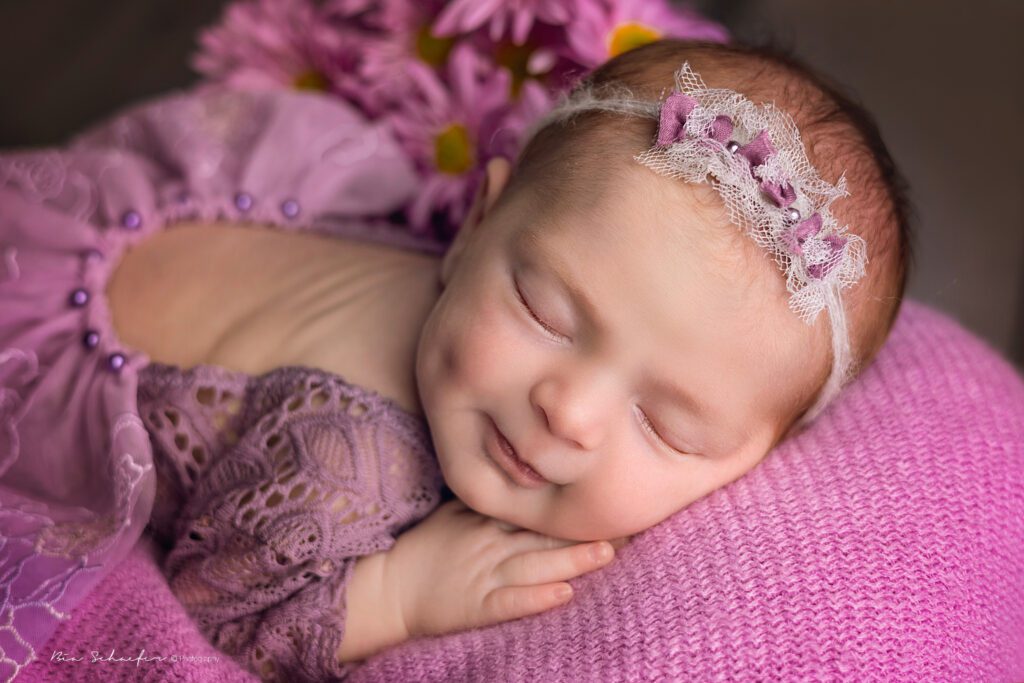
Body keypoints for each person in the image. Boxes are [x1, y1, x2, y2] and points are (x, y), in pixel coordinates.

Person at [0, 38, 909, 682]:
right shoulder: (347, 459)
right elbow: (219, 606)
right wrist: (397, 593)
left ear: (759, 455)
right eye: (544, 311)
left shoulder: (511, 324)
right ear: (475, 221)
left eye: (665, 423)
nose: (570, 409)